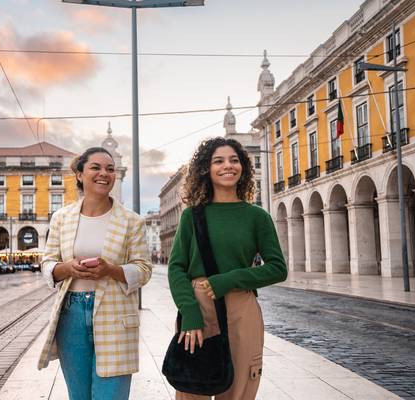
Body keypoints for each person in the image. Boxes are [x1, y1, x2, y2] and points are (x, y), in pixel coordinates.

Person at [167, 137, 287, 400]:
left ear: (243, 167)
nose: (227, 166)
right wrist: (190, 313)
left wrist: (232, 279)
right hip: (199, 306)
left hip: (241, 309)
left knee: (240, 389)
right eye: (218, 161)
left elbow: (278, 268)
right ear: (206, 169)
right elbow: (176, 268)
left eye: (234, 160)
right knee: (192, 389)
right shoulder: (191, 216)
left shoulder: (257, 217)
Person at [37, 147, 152, 400]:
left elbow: (144, 270)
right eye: (96, 168)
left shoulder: (132, 221)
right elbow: (47, 264)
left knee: (110, 396)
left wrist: (110, 269)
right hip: (71, 314)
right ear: (79, 174)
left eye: (110, 169)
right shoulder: (61, 218)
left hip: (115, 313)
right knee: (78, 396)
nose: (104, 174)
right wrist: (67, 268)